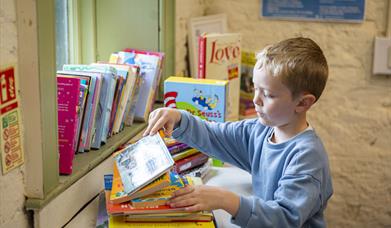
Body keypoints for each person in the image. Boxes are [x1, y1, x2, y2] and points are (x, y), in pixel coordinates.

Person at [143, 37, 333, 228]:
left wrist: (224, 199)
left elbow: (284, 219)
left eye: (267, 94)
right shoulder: (260, 130)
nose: (256, 100)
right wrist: (177, 118)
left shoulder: (308, 157)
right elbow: (214, 135)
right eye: (255, 88)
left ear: (303, 103)